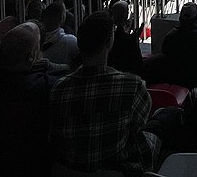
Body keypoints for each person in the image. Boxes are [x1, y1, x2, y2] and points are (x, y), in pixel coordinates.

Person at [49, 12, 160, 175]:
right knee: (161, 123)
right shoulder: (131, 85)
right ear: (109, 42)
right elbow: (139, 123)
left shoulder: (59, 88)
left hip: (72, 170)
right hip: (118, 169)